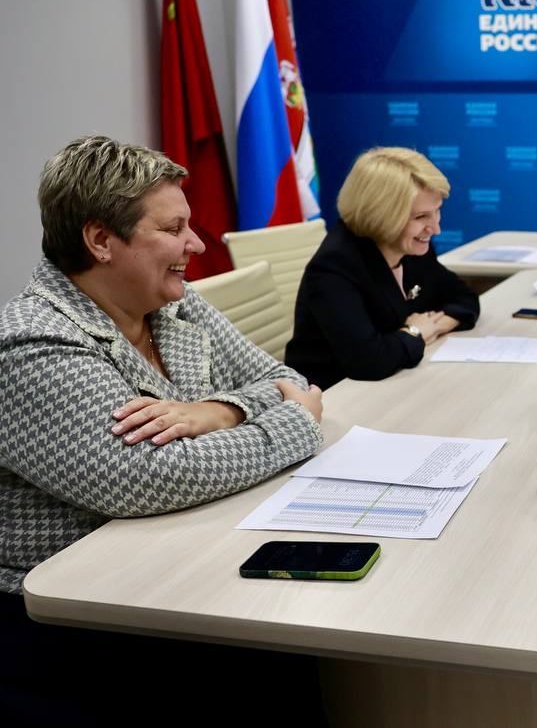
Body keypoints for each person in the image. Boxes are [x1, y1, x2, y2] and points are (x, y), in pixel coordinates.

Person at [0, 136, 326, 722]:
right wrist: (296, 424)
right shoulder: (31, 341)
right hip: (75, 617)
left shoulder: (172, 303)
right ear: (101, 241)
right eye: (174, 229)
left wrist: (219, 411)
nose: (196, 244)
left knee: (304, 645)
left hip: (182, 566)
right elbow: (148, 476)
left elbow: (286, 377)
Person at [286, 146, 480, 390]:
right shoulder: (333, 268)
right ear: (382, 215)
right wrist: (416, 331)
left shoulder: (410, 246)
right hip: (333, 396)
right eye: (421, 217)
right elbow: (370, 361)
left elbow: (465, 298)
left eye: (437, 211)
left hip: (393, 384)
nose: (436, 228)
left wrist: (433, 326)